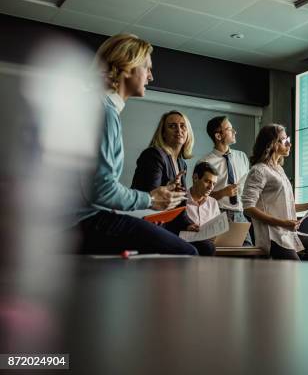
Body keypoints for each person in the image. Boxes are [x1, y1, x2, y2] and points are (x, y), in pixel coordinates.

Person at [75, 33, 197, 255]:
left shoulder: (97, 108)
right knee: (187, 253)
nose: (150, 76)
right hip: (83, 222)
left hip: (78, 221)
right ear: (127, 67)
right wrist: (150, 199)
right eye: (147, 68)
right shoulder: (104, 114)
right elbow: (102, 190)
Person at [242, 124, 308, 261]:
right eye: (284, 140)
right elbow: (248, 209)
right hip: (273, 236)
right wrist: (282, 223)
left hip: (288, 233)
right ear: (273, 143)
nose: (289, 144)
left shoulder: (279, 170)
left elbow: (286, 205)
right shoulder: (259, 171)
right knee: (296, 270)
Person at [200, 116, 253, 246]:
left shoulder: (242, 157)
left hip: (240, 214)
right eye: (229, 129)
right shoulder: (205, 162)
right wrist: (222, 193)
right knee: (223, 258)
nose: (235, 131)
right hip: (218, 214)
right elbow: (199, 197)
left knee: (249, 252)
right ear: (218, 136)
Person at [131, 110, 195, 193]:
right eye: (172, 126)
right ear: (163, 133)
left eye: (183, 126)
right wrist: (169, 187)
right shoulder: (153, 155)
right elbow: (152, 195)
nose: (179, 130)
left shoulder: (182, 164)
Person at [165, 162, 219, 255]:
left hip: (210, 247)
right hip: (185, 247)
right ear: (195, 178)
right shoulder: (179, 199)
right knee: (208, 248)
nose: (211, 187)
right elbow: (170, 228)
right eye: (207, 181)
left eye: (213, 183)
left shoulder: (213, 203)